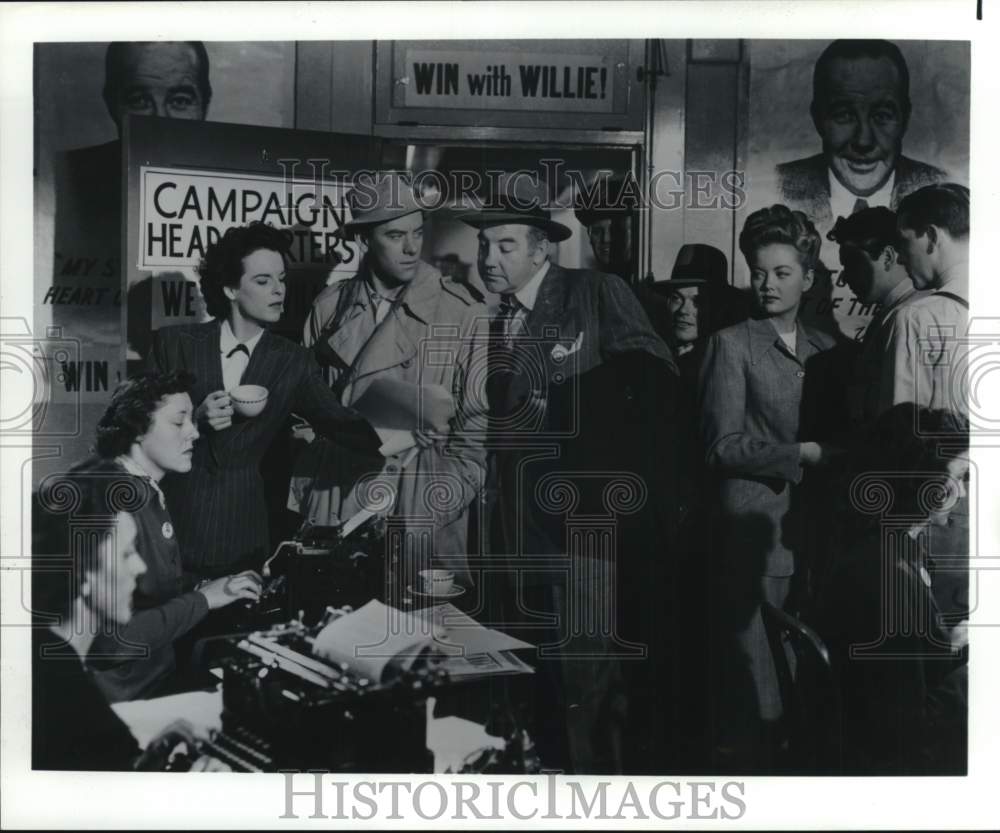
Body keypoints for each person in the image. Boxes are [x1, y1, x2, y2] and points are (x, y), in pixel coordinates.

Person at [459, 175, 679, 774]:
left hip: (578, 525)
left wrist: (569, 414)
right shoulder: (490, 320)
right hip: (505, 528)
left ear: (541, 249)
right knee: (519, 679)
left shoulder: (595, 292)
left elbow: (654, 381)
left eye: (505, 246)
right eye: (483, 245)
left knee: (585, 677)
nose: (489, 258)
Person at [147, 222, 381, 582]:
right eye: (263, 281)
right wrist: (193, 420)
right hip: (170, 531)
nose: (279, 291)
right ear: (230, 288)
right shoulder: (174, 344)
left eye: (282, 279)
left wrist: (406, 429)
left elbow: (341, 424)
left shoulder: (293, 361)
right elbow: (138, 431)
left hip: (244, 539)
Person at [288, 172, 489, 591]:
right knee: (335, 635)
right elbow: (304, 410)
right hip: (342, 501)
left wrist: (446, 491)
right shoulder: (329, 309)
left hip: (421, 506)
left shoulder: (461, 311)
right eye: (396, 235)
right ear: (364, 241)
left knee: (419, 642)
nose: (413, 247)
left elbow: (477, 427)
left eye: (418, 232)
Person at [698, 204, 845, 770]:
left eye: (782, 273)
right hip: (751, 542)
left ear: (808, 278)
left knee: (804, 686)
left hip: (812, 538)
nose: (767, 285)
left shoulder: (828, 347)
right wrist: (802, 454)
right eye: (759, 272)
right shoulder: (731, 344)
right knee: (757, 691)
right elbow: (720, 447)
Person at [79, 371, 262, 702]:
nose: (194, 432)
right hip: (120, 702)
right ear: (136, 430)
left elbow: (149, 589)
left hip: (152, 681)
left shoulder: (141, 489)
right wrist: (203, 599)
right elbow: (110, 641)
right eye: (179, 422)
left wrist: (210, 586)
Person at [32, 466, 227, 770]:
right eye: (126, 553)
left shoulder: (43, 656)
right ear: (83, 572)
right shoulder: (72, 700)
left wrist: (150, 758)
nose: (139, 566)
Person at [815, 403, 969, 774]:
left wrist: (947, 642)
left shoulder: (877, 545)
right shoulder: (893, 577)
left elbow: (898, 669)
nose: (962, 494)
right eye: (959, 477)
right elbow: (908, 730)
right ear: (920, 478)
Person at [776, 39, 946, 228]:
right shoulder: (775, 187)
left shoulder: (942, 189)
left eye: (882, 116)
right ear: (818, 119)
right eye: (844, 115)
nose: (863, 141)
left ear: (904, 119)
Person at [827, 206, 929, 429]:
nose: (845, 277)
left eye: (853, 263)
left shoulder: (906, 317)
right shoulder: (899, 311)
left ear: (888, 257)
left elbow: (899, 423)